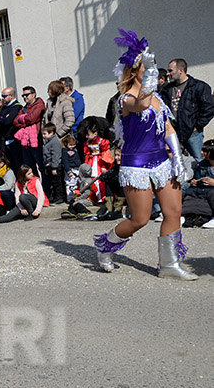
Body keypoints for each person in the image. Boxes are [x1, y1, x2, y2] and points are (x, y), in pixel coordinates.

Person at [94, 29, 196, 279]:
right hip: (136, 165)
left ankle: (170, 265)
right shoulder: (125, 99)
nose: (153, 68)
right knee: (139, 219)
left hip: (162, 162)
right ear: (136, 69)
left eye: (153, 66)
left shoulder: (159, 99)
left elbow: (168, 127)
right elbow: (141, 103)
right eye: (146, 66)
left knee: (173, 213)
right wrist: (150, 73)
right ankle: (105, 246)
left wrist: (177, 157)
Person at [160, 58, 214, 162]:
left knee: (198, 160)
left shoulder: (198, 86)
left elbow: (209, 108)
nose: (168, 74)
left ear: (181, 70)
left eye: (171, 70)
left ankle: (199, 178)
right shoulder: (166, 89)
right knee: (173, 160)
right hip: (173, 132)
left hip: (192, 133)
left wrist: (197, 126)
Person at [13, 86, 46, 174]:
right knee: (30, 167)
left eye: (27, 95)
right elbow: (15, 122)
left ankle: (46, 187)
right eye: (23, 95)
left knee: (42, 166)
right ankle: (34, 185)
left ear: (34, 94)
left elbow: (32, 118)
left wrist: (22, 120)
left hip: (36, 140)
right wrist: (25, 120)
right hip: (26, 141)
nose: (25, 97)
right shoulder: (24, 108)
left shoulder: (39, 104)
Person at [0, 87, 23, 169]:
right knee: (9, 165)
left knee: (18, 164)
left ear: (11, 96)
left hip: (13, 140)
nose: (2, 98)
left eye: (4, 96)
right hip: (4, 140)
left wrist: (2, 119)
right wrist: (1, 119)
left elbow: (8, 121)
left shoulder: (16, 107)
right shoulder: (4, 108)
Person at [41, 123, 64, 204]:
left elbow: (56, 156)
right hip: (49, 166)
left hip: (55, 166)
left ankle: (59, 197)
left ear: (51, 132)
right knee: (52, 183)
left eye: (45, 134)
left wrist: (54, 167)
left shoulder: (54, 142)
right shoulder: (48, 142)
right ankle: (54, 197)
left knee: (57, 183)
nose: (43, 136)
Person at [61, 134, 82, 202]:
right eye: (70, 145)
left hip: (77, 169)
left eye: (74, 144)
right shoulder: (65, 151)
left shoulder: (75, 150)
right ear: (66, 144)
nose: (72, 146)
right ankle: (70, 198)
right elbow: (65, 162)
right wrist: (68, 171)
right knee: (70, 184)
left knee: (76, 184)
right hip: (70, 170)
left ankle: (76, 198)